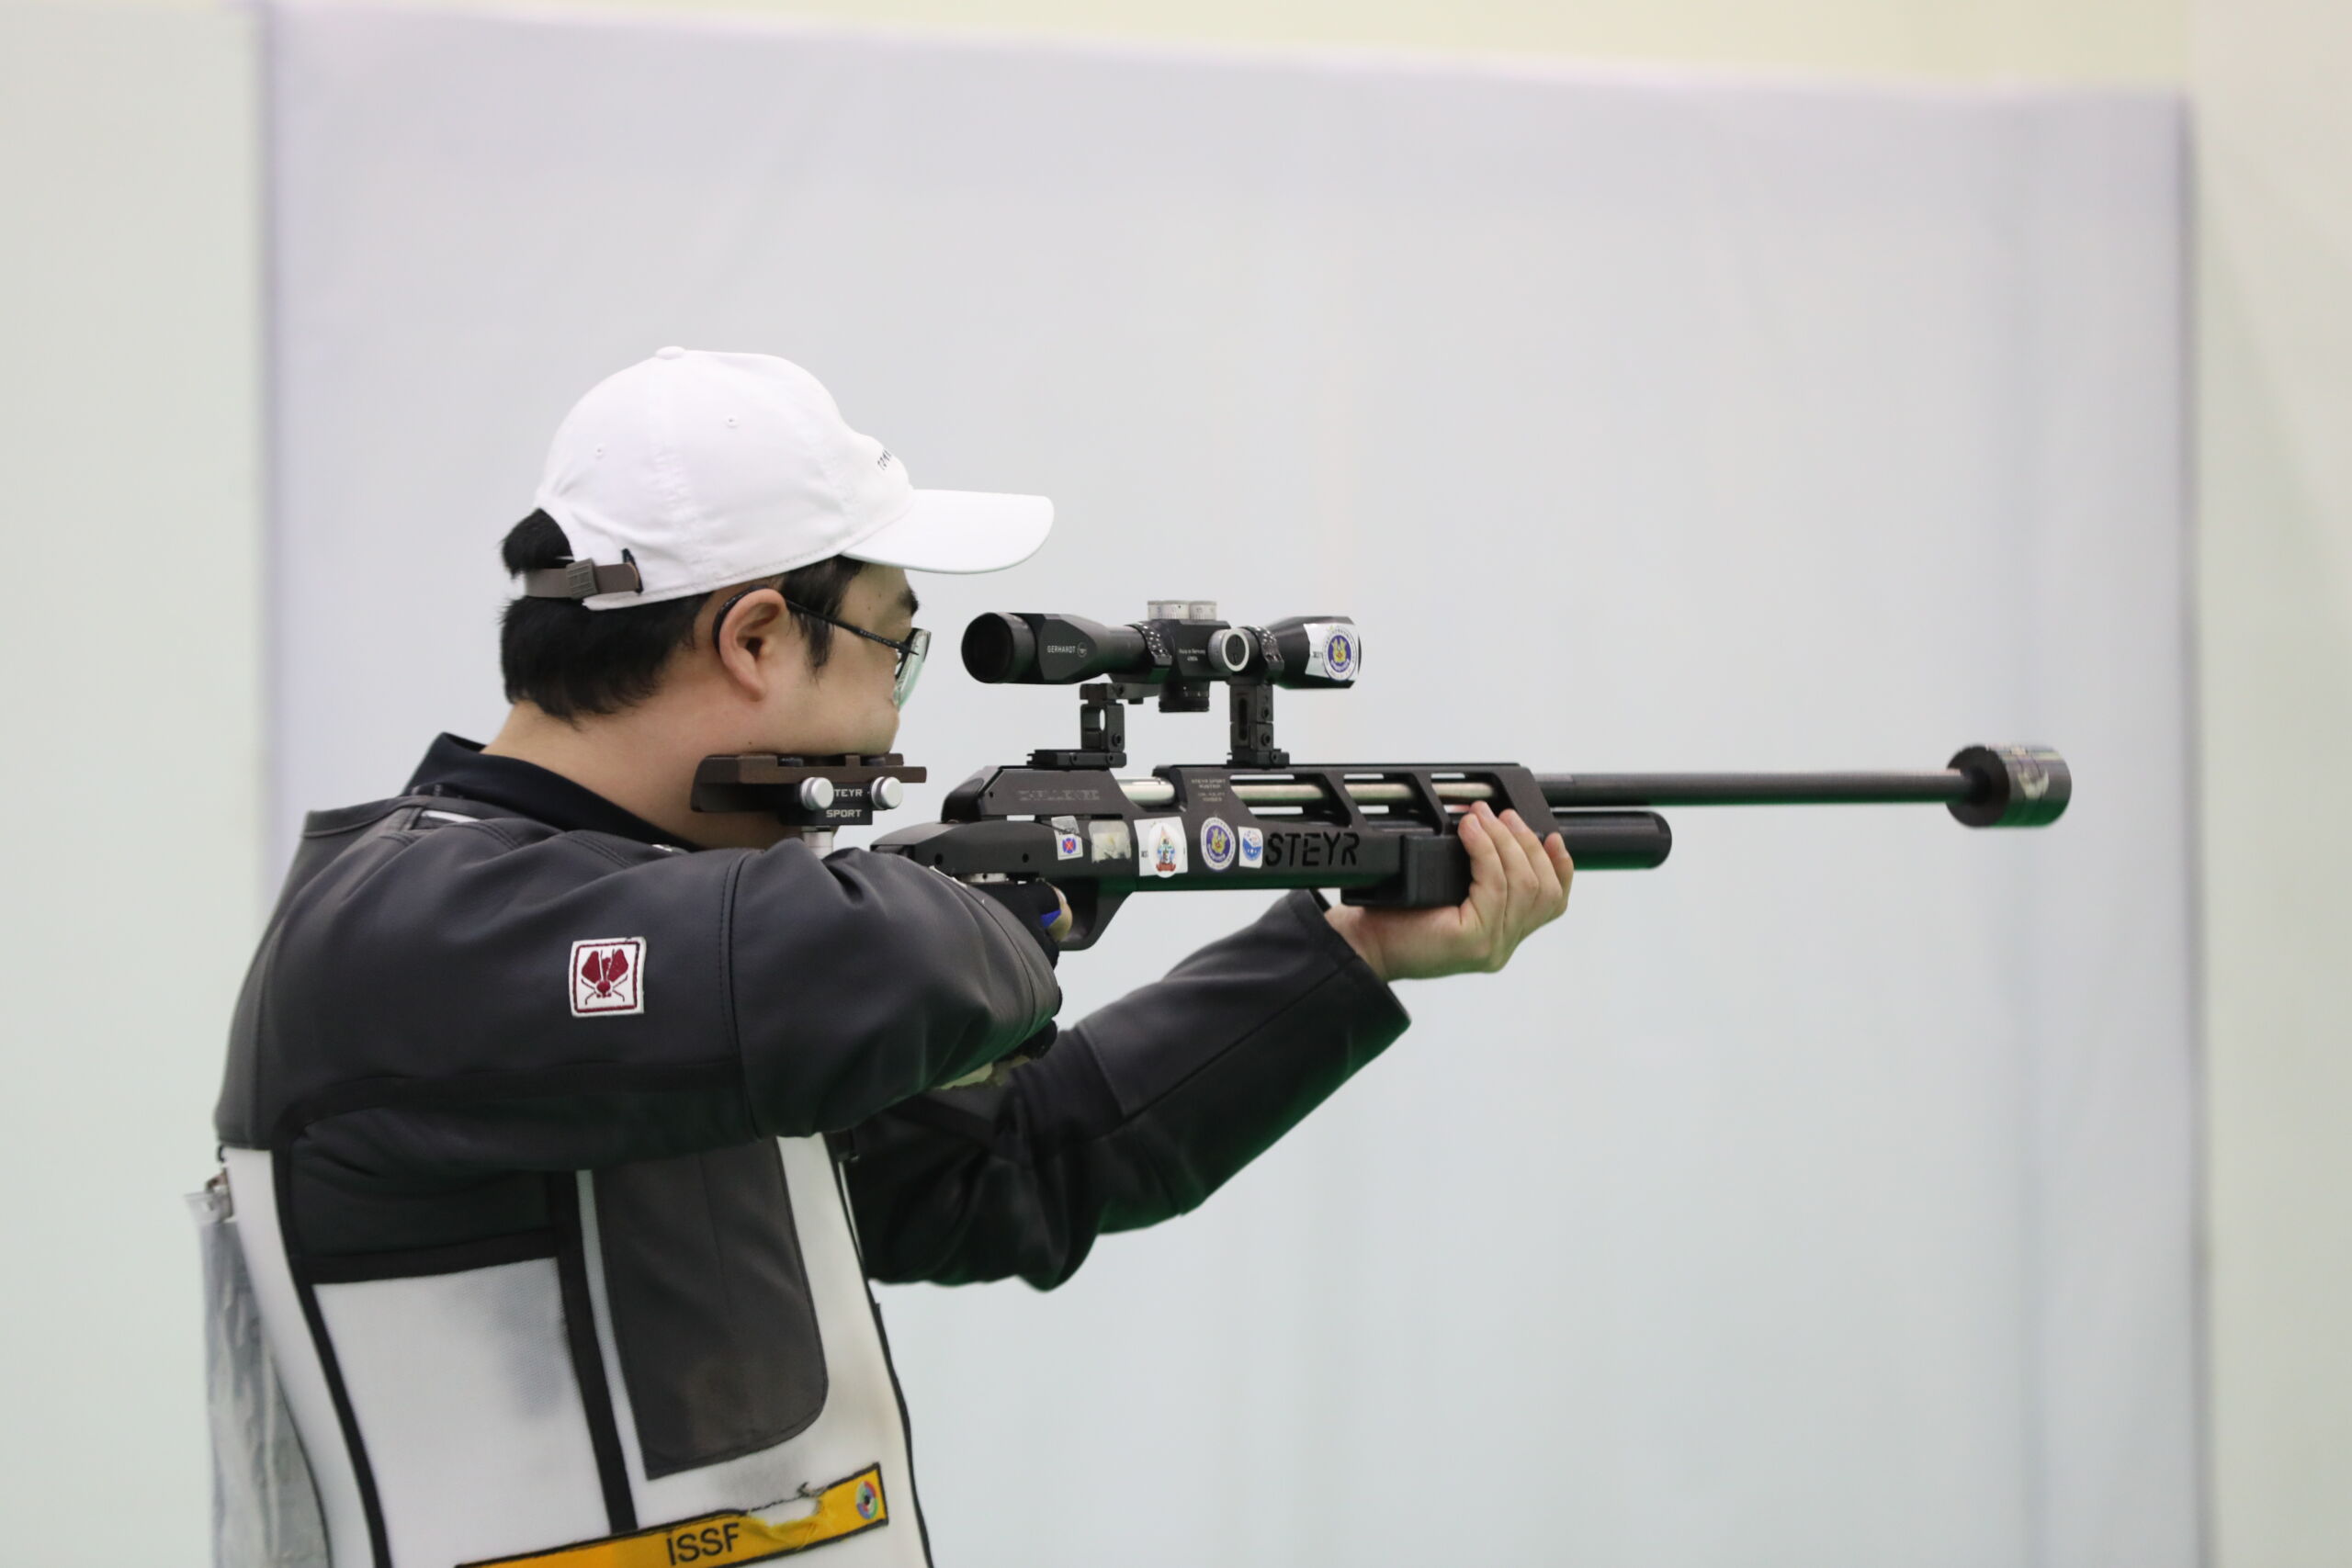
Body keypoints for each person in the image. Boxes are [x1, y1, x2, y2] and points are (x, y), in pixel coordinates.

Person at [211, 348, 1574, 1568]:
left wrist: (1351, 956)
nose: (892, 711)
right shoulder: (401, 927)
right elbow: (858, 970)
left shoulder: (698, 985)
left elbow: (1030, 1159)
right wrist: (1037, 903)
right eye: (894, 646)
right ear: (755, 637)